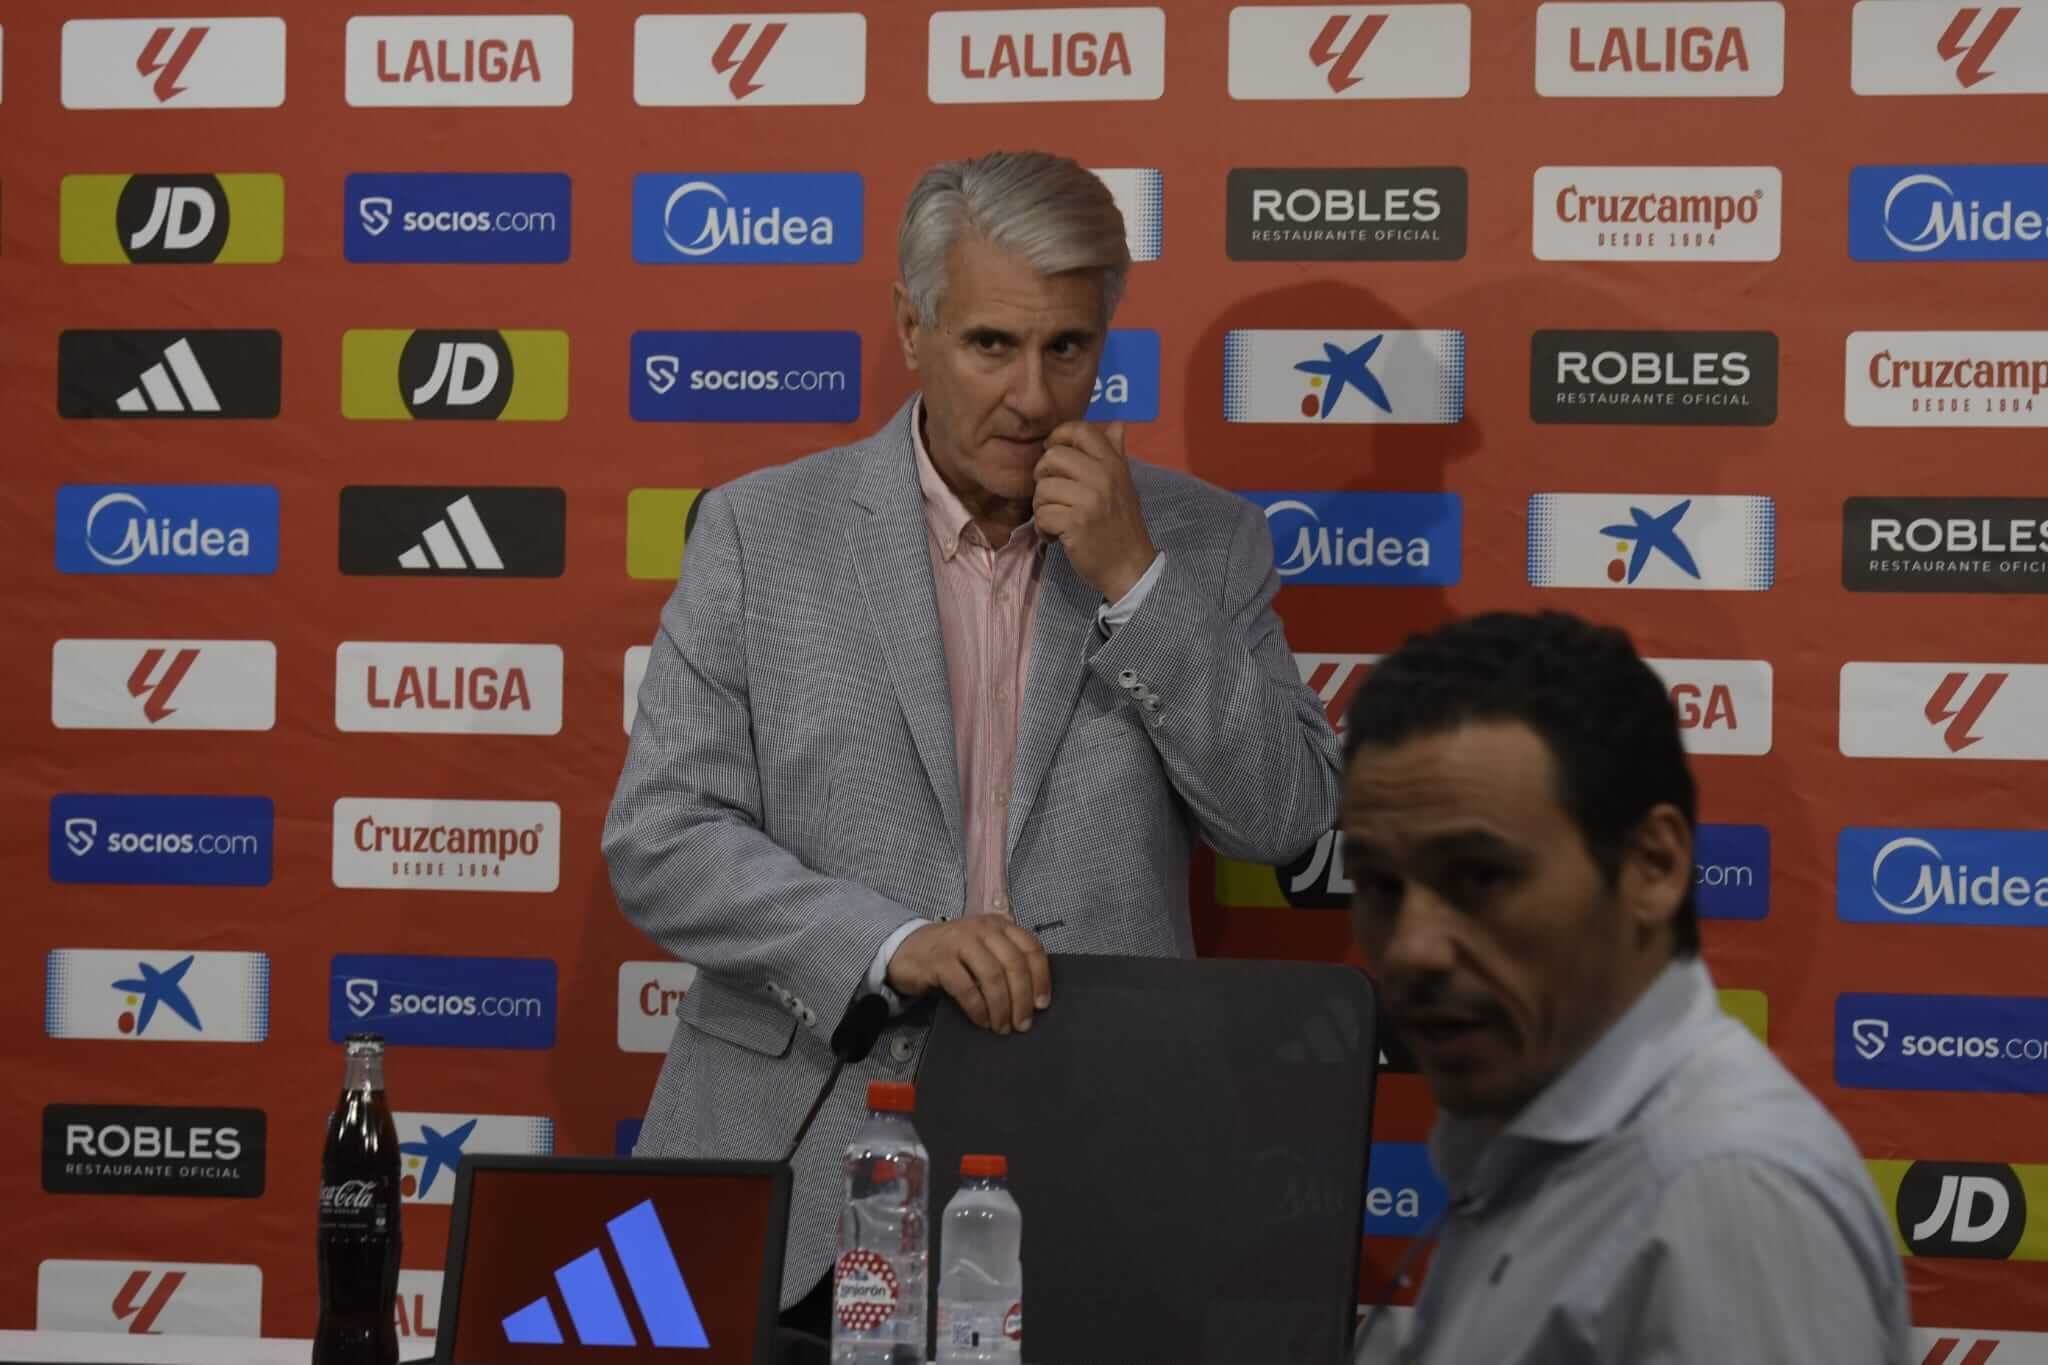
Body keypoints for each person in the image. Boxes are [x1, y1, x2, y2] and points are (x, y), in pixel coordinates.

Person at [602, 149, 1343, 1343]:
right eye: (991, 345)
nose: (1035, 399)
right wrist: (890, 944)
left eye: (1068, 350)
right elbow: (661, 842)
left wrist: (1135, 583)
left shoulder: (1199, 543)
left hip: (1097, 1148)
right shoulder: (757, 531)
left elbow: (1286, 819)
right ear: (912, 327)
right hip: (792, 1147)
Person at [1340, 610, 1911, 1364]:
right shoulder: (1538, 1138)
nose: (1412, 948)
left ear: (1653, 865)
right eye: (1379, 884)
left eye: (1481, 876)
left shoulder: (1721, 1197)